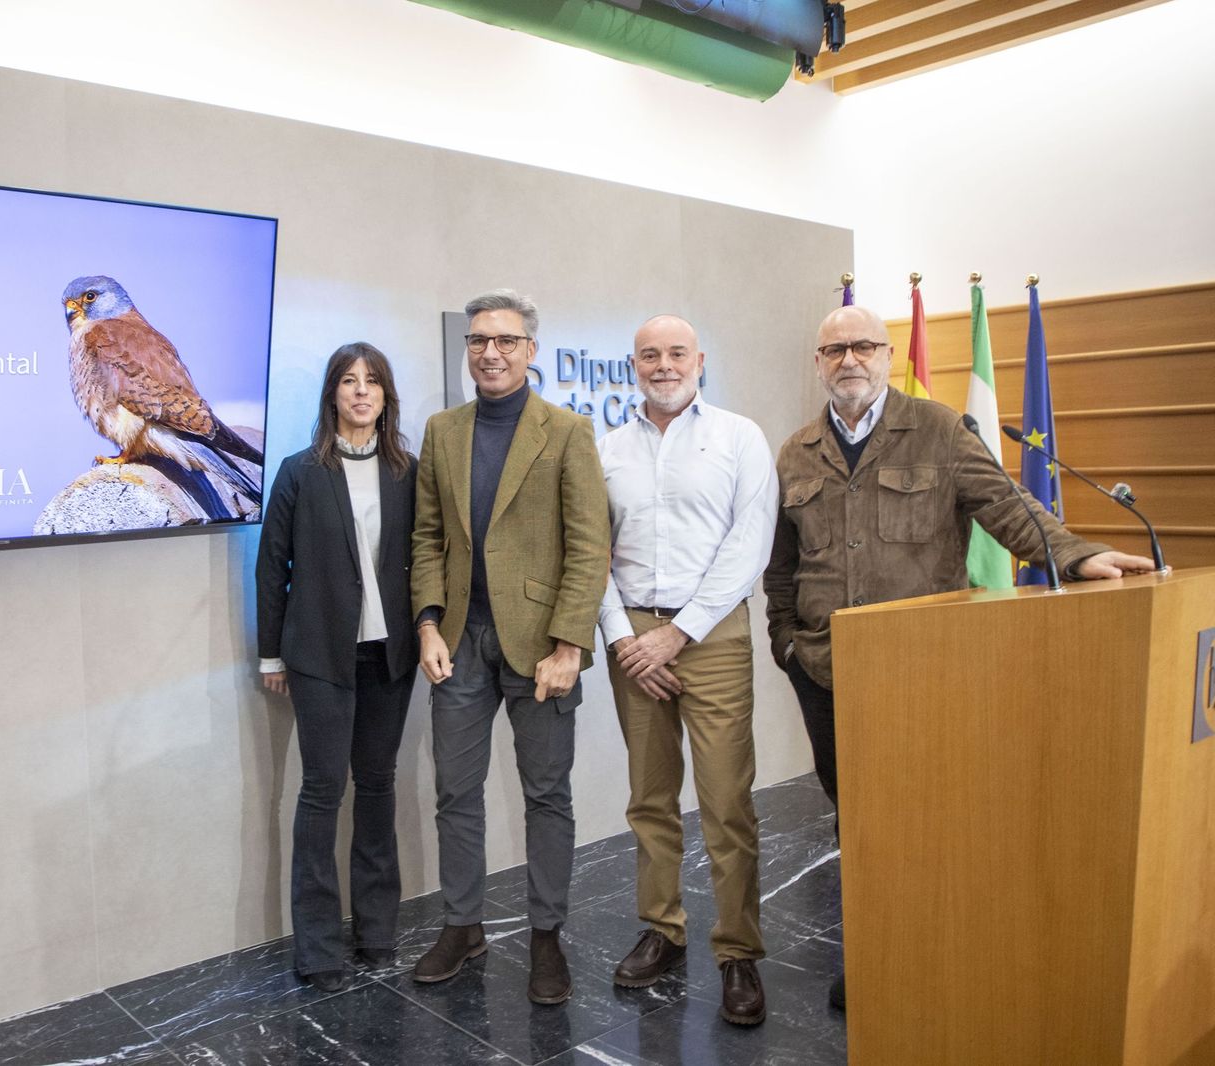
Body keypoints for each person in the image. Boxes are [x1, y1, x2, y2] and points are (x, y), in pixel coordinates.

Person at [763, 303, 1159, 1010]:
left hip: (922, 669)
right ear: (818, 363)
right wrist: (786, 642)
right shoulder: (795, 452)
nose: (848, 360)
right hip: (825, 670)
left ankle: (936, 946)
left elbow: (1008, 508)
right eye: (833, 350)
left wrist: (1079, 553)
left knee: (927, 817)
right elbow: (782, 566)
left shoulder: (940, 429)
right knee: (855, 819)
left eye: (862, 347)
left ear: (886, 356)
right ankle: (878, 951)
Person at [409, 289, 609, 1005]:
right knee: (455, 793)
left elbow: (589, 548)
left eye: (504, 340)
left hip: (541, 648)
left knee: (546, 794)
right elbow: (428, 536)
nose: (489, 352)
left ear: (530, 351)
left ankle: (547, 937)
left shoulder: (567, 432)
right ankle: (463, 927)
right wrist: (429, 624)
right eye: (477, 341)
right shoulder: (442, 431)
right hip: (460, 640)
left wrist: (569, 646)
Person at [598, 315, 776, 1026]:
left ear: (699, 359)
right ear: (633, 366)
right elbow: (590, 551)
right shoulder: (606, 447)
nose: (663, 365)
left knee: (727, 802)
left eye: (676, 353)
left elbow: (750, 541)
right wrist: (622, 637)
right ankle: (662, 930)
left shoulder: (739, 437)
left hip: (712, 633)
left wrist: (679, 633)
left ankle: (738, 952)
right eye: (649, 355)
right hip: (633, 636)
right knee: (649, 796)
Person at [255, 342, 420, 992]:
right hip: (320, 654)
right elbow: (272, 567)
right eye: (348, 381)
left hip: (390, 654)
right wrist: (271, 651)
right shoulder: (299, 472)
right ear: (332, 395)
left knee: (377, 785)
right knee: (323, 791)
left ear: (385, 396)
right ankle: (319, 949)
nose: (360, 391)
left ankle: (377, 933)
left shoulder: (408, 470)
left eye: (371, 381)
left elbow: (426, 555)